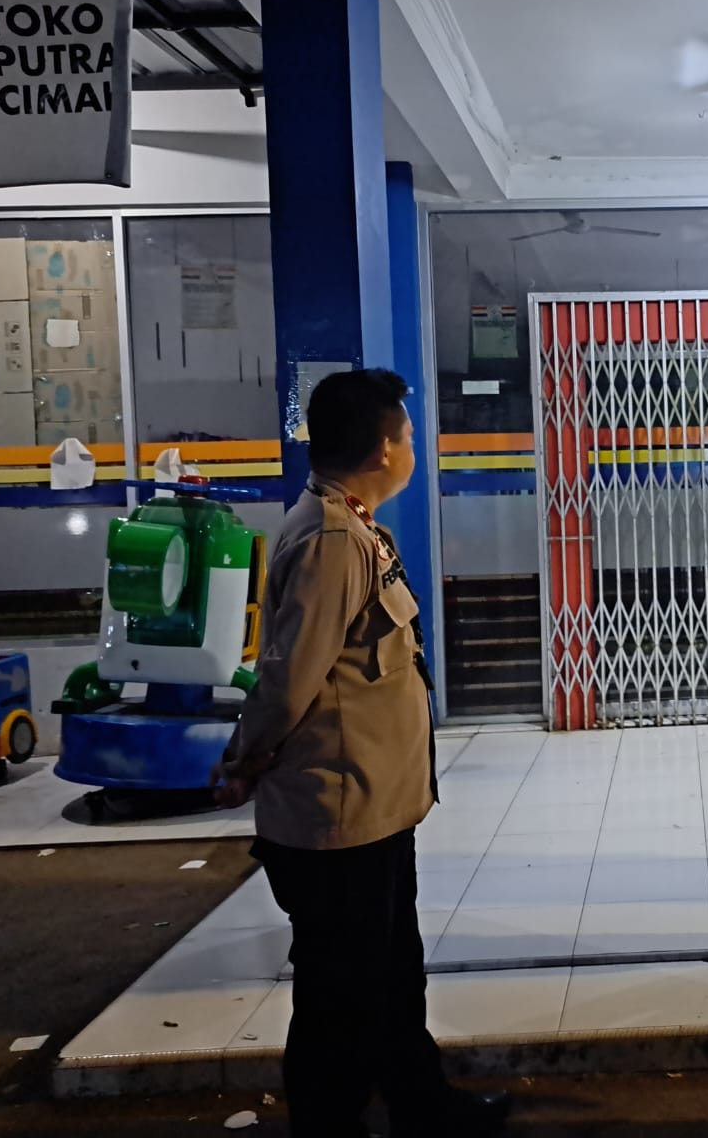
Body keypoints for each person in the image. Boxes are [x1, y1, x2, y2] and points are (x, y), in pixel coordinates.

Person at [211, 369, 509, 1138]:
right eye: (407, 435)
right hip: (336, 816)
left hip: (372, 808)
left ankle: (423, 1106)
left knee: (391, 974)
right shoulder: (332, 540)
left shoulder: (351, 524)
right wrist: (242, 761)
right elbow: (288, 680)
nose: (413, 447)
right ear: (383, 448)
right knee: (339, 997)